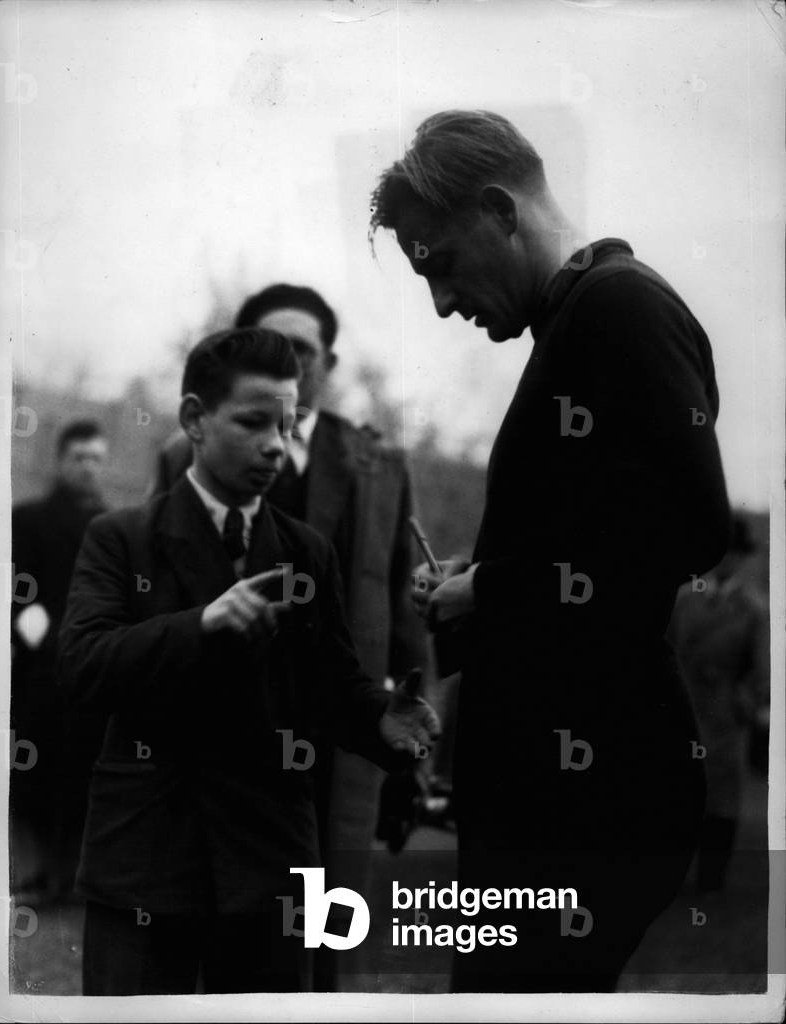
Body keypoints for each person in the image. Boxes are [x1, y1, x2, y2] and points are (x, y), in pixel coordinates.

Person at [369, 110, 731, 992]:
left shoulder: (618, 307)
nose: (444, 302)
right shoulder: (580, 320)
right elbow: (602, 529)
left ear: (500, 210)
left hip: (589, 793)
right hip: (559, 788)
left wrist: (492, 586)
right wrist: (477, 573)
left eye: (441, 264)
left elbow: (690, 528)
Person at [58, 327, 439, 995]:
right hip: (147, 855)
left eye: (287, 424)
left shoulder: (306, 550)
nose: (274, 443)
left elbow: (331, 686)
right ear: (195, 421)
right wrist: (199, 625)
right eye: (254, 421)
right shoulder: (119, 539)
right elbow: (85, 665)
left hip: (270, 864)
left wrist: (381, 719)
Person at [151, 284, 427, 988]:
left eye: (302, 352)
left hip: (338, 735)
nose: (290, 367)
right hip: (225, 729)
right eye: (270, 350)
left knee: (328, 921)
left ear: (327, 363)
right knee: (226, 924)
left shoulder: (376, 463)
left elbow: (400, 610)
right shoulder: (184, 450)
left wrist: (411, 734)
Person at [11, 419, 109, 902]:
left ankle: (71, 876)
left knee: (81, 778)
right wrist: (30, 628)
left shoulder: (111, 526)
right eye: (79, 458)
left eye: (96, 458)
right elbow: (14, 589)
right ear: (60, 461)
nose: (88, 467)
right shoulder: (29, 520)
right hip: (41, 671)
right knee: (36, 775)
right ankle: (41, 875)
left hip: (93, 671)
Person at [669, 513, 769, 891]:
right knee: (675, 792)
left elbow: (761, 674)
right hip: (682, 707)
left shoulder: (753, 610)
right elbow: (665, 649)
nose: (726, 560)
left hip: (723, 716)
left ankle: (711, 880)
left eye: (734, 553)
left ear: (743, 558)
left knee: (722, 796)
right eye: (721, 552)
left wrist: (738, 705)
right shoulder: (683, 598)